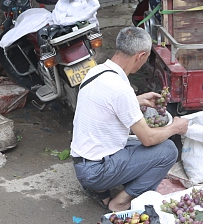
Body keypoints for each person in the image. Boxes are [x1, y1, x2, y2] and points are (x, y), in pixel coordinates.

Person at [70, 27, 189, 212]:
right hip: (95, 170)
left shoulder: (98, 71)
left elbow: (106, 103)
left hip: (82, 161)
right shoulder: (121, 89)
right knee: (167, 150)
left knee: (132, 142)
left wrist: (137, 100)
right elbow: (148, 139)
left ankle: (100, 190)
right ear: (140, 56)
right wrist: (175, 127)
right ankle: (120, 202)